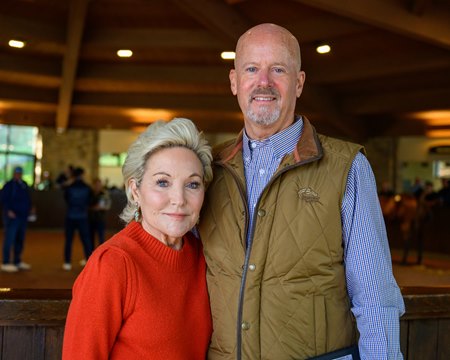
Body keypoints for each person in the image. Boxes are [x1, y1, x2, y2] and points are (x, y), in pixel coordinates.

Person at [198, 23, 405, 359]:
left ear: (299, 82)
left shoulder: (346, 167)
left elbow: (375, 294)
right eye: (252, 68)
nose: (263, 81)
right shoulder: (209, 169)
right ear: (235, 82)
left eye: (278, 69)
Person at [62, 118, 213, 359]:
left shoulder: (205, 255)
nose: (179, 199)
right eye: (162, 182)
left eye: (192, 184)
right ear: (135, 190)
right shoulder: (112, 264)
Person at [1, 166, 33, 272]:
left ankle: (17, 261)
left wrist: (30, 210)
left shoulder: (24, 185)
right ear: (13, 173)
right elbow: (3, 200)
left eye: (19, 173)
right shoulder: (9, 185)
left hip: (23, 217)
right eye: (16, 173)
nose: (18, 175)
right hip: (12, 217)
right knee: (10, 239)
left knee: (20, 239)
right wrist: (8, 211)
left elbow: (28, 199)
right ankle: (6, 262)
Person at [62, 166, 93, 271]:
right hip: (82, 216)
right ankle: (88, 260)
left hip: (71, 215)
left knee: (69, 240)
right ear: (82, 175)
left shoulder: (69, 187)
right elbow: (90, 201)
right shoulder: (87, 187)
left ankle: (67, 262)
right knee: (86, 240)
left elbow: (66, 199)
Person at [88, 178, 111, 249]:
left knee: (101, 238)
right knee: (90, 238)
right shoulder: (89, 194)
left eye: (99, 185)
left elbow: (107, 206)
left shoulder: (104, 194)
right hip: (90, 219)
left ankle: (100, 255)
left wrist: (99, 208)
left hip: (100, 219)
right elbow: (85, 205)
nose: (98, 186)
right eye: (96, 185)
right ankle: (91, 255)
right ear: (93, 185)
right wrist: (94, 208)